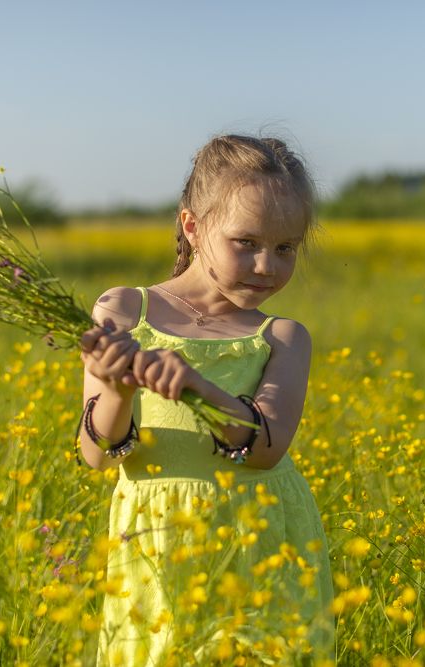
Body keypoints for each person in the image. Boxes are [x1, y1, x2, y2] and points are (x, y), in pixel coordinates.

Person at [79, 134, 334, 666]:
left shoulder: (284, 337)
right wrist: (120, 390)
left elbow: (266, 446)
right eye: (247, 243)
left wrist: (197, 387)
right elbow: (98, 453)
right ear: (193, 227)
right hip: (156, 536)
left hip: (259, 537)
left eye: (286, 248)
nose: (267, 265)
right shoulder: (124, 310)